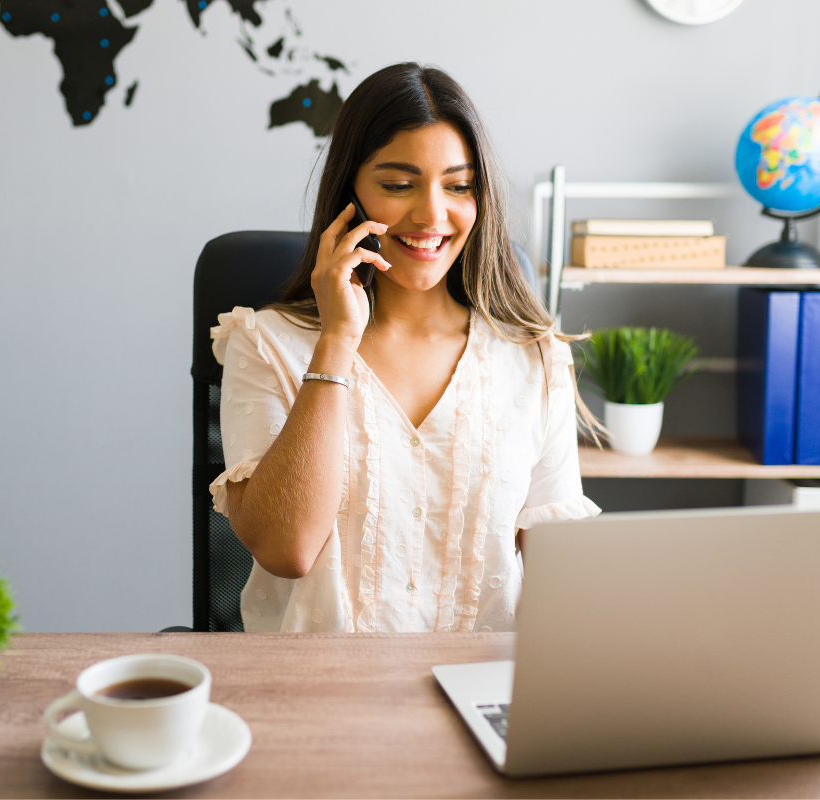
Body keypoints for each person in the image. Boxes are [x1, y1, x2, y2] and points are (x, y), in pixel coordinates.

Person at [209, 63, 599, 633]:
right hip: (315, 699)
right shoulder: (265, 344)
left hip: (479, 695)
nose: (432, 215)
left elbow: (563, 583)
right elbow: (284, 550)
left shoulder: (534, 359)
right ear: (351, 195)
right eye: (397, 185)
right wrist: (338, 340)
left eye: (459, 185)